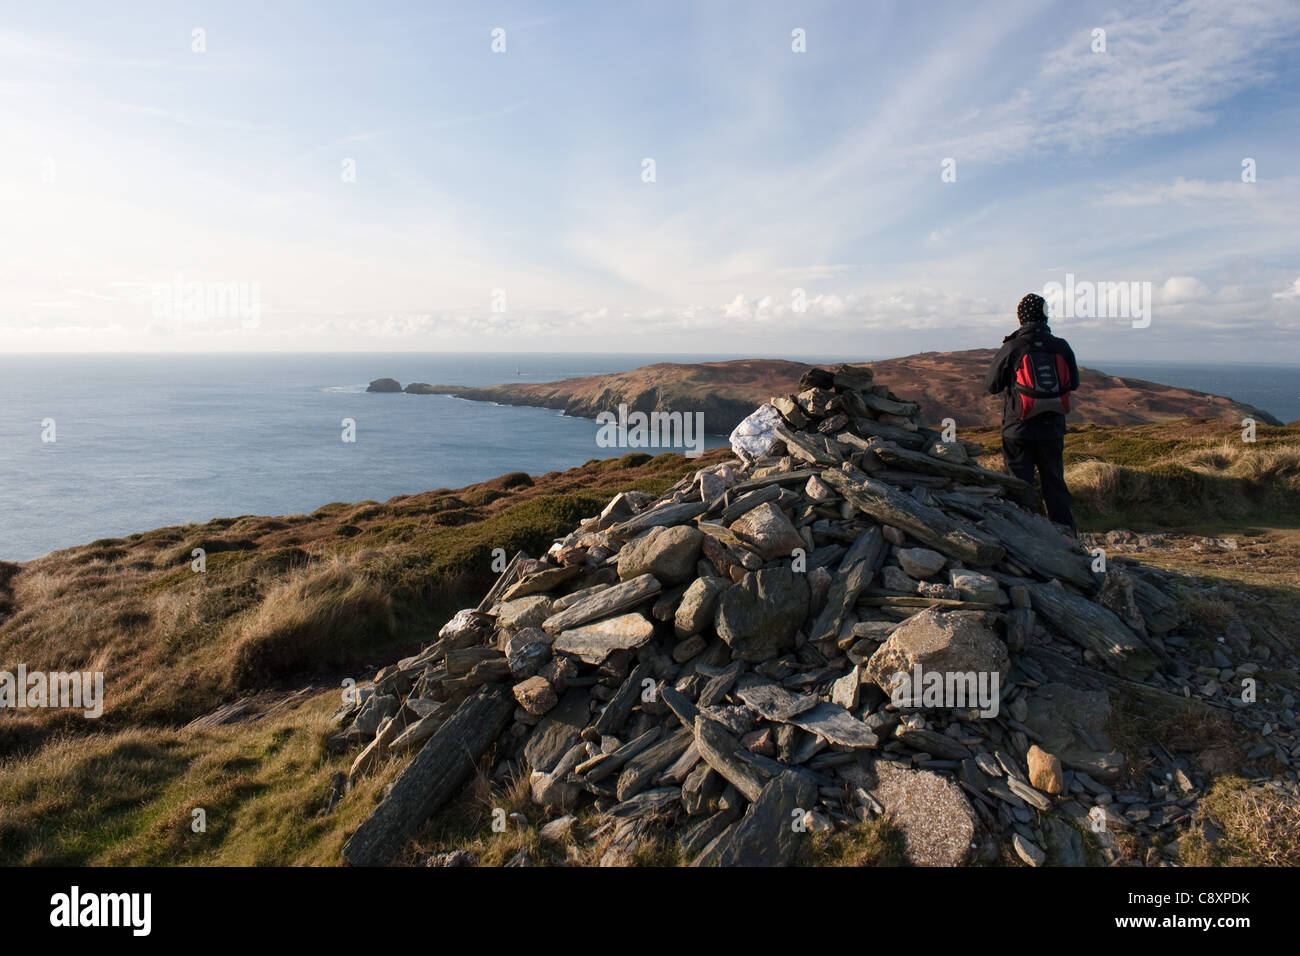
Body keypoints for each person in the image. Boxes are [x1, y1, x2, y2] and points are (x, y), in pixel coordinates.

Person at [984, 293, 1079, 531]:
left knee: (1018, 484)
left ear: (1020, 318)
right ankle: (1066, 537)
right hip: (1052, 428)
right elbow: (1073, 383)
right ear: (1045, 315)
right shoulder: (1061, 346)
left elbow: (992, 385)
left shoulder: (1013, 346)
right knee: (1054, 482)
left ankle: (1023, 534)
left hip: (1018, 428)